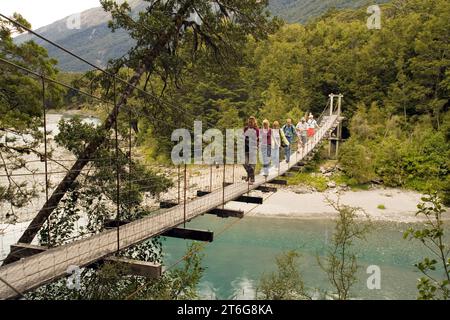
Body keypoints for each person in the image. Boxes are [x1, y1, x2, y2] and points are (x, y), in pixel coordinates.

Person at [243, 116, 259, 184]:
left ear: (254, 122)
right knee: (245, 162)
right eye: (249, 122)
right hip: (246, 148)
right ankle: (250, 175)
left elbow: (259, 139)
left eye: (251, 122)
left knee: (252, 164)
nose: (250, 123)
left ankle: (251, 178)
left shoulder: (256, 130)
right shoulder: (245, 128)